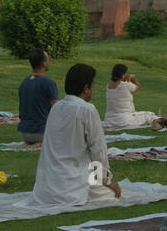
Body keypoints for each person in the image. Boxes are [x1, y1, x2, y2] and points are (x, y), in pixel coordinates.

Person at [31, 63, 120, 207]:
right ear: (86, 88)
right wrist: (106, 181)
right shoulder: (86, 109)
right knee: (111, 194)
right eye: (92, 86)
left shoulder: (56, 107)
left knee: (97, 183)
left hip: (45, 186)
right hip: (70, 185)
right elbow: (97, 150)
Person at [17, 48, 59, 146]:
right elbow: (57, 108)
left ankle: (29, 143)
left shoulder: (24, 82)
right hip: (41, 132)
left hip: (24, 132)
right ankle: (40, 143)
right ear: (44, 63)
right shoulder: (48, 83)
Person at [104, 63, 165, 129]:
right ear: (122, 75)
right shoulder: (125, 85)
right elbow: (137, 87)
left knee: (142, 114)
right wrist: (133, 78)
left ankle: (156, 118)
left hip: (109, 120)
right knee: (148, 114)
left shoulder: (108, 86)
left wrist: (126, 80)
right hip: (124, 120)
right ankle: (158, 118)